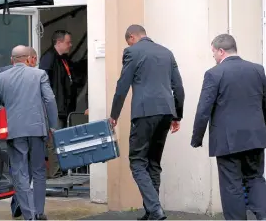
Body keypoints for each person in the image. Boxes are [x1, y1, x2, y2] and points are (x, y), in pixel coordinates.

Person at [109, 24, 185, 220]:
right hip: (166, 112)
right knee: (153, 162)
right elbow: (179, 87)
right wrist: (177, 116)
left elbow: (122, 85)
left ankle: (155, 208)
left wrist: (114, 114)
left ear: (132, 37)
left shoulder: (131, 52)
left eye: (129, 41)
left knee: (137, 162)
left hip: (144, 113)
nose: (129, 44)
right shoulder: (167, 53)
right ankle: (151, 211)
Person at [191, 34, 266, 220]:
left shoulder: (214, 73)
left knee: (231, 184)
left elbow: (203, 109)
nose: (214, 57)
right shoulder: (257, 70)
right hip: (256, 137)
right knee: (255, 178)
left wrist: (197, 138)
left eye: (214, 53)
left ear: (221, 51)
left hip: (227, 141)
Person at [0, 45, 58, 221]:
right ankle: (39, 212)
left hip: (14, 132)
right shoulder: (39, 75)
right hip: (37, 129)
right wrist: (53, 126)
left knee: (20, 172)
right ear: (29, 59)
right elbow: (50, 99)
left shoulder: (0, 78)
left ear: (12, 60)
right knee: (38, 171)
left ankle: (29, 215)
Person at [39, 30, 78, 179]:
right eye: (68, 42)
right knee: (55, 141)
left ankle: (61, 170)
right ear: (59, 42)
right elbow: (44, 84)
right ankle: (55, 173)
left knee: (62, 140)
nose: (70, 45)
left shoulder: (64, 59)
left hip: (64, 108)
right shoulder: (49, 58)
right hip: (54, 108)